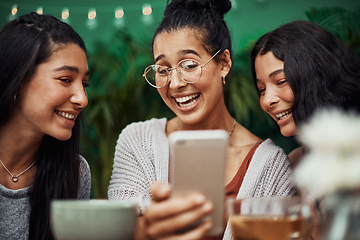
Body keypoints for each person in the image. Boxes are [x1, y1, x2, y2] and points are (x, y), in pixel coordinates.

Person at [108, 0, 295, 239]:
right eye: (163, 69)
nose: (175, 83)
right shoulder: (137, 142)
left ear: (224, 63)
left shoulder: (271, 166)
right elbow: (118, 232)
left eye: (189, 65)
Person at [0, 12, 91, 240]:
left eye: (84, 83)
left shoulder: (75, 173)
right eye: (66, 80)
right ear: (18, 79)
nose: (82, 99)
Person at [250, 20, 360, 167]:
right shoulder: (295, 163)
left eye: (281, 81)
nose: (267, 101)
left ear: (318, 76)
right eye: (262, 90)